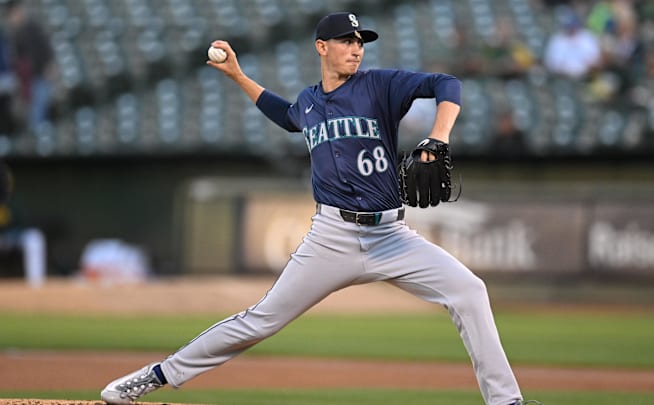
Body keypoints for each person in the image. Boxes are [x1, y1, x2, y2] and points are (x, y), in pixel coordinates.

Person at [100, 12, 536, 405]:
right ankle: (155, 376)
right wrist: (237, 75)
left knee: (470, 291)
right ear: (321, 47)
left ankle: (505, 402)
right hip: (332, 237)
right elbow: (287, 114)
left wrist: (438, 137)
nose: (356, 48)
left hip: (392, 236)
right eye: (347, 40)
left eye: (360, 41)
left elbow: (446, 84)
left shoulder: (379, 85)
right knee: (260, 321)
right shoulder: (309, 102)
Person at [4, 0, 54, 133]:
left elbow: (45, 46)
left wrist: (49, 65)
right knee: (34, 113)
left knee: (39, 111)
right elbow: (16, 60)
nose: (14, 18)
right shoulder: (14, 35)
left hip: (39, 75)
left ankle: (42, 137)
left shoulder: (32, 27)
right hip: (27, 80)